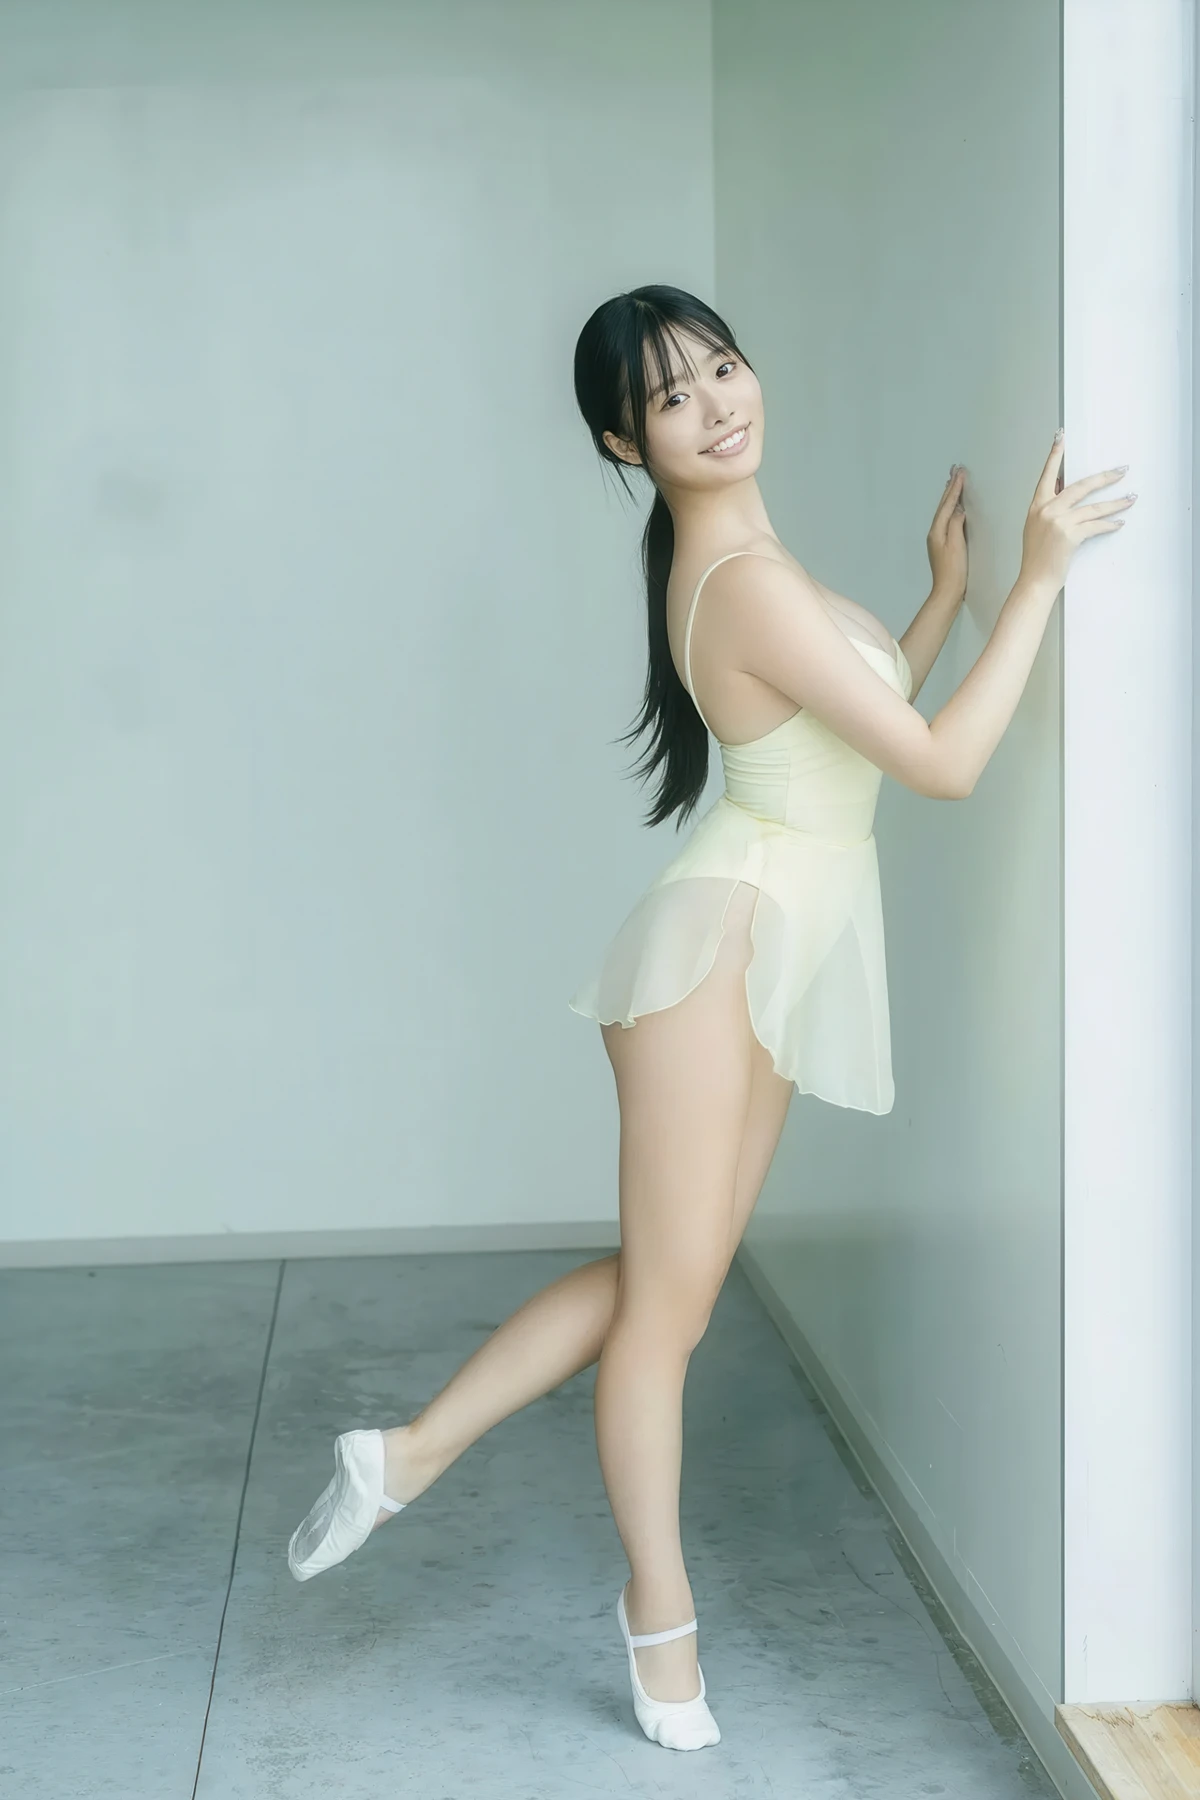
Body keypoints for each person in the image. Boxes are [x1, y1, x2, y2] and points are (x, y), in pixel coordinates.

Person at [285, 285, 1135, 1752]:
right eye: (673, 398)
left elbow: (847, 735)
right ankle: (657, 1616)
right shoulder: (739, 577)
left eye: (723, 368)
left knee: (663, 1291)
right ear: (628, 440)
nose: (718, 405)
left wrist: (941, 599)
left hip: (768, 942)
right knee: (665, 1321)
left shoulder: (749, 561)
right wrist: (1040, 581)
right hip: (720, 957)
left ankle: (405, 1454)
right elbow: (938, 768)